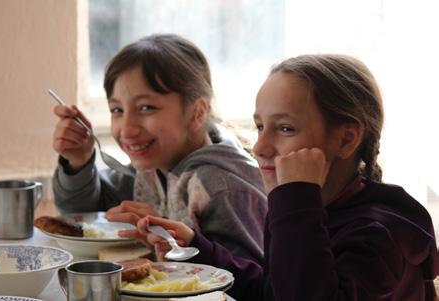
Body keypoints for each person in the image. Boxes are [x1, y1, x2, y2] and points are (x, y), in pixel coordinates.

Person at [126, 54, 439, 300]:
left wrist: (296, 199)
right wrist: (199, 249)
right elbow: (274, 291)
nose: (260, 146)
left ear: (346, 139)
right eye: (260, 126)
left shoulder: (378, 236)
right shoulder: (306, 211)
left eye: (285, 128)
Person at [51, 34, 267, 262]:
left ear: (197, 112)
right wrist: (79, 161)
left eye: (146, 107)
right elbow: (85, 214)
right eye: (117, 110)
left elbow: (249, 283)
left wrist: (168, 237)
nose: (127, 130)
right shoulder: (153, 167)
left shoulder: (222, 188)